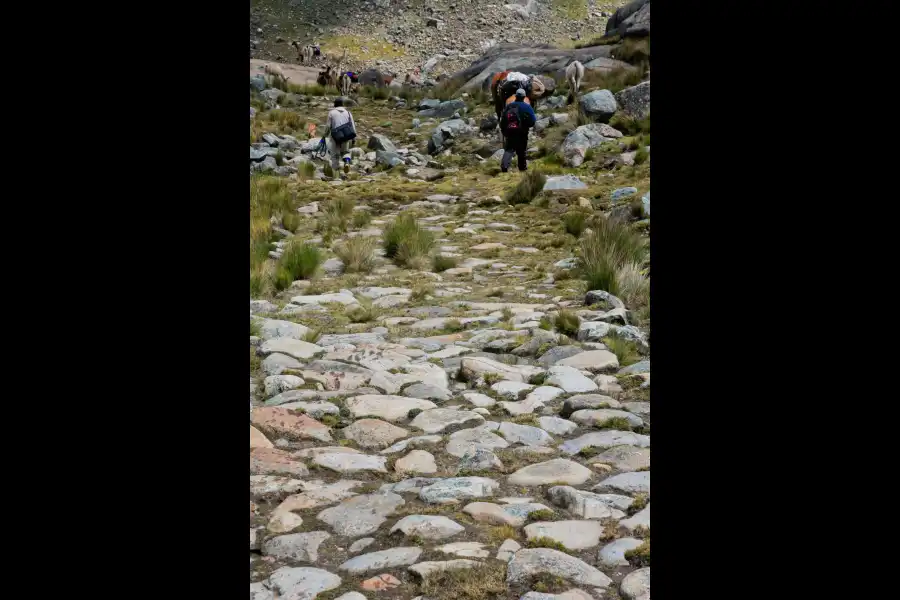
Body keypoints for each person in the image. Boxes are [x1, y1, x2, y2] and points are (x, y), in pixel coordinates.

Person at [499, 88, 537, 173]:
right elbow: (533, 121)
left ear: (516, 96)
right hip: (522, 132)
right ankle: (522, 168)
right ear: (524, 97)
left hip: (510, 132)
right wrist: (526, 125)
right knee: (521, 150)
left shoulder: (509, 106)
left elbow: (503, 120)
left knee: (509, 149)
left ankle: (504, 167)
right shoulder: (527, 107)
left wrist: (504, 131)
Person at [322, 98, 357, 174]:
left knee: (335, 155)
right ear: (342, 104)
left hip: (335, 136)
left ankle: (336, 172)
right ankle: (347, 162)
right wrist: (354, 138)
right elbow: (352, 126)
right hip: (346, 135)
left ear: (335, 105)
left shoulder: (331, 113)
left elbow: (328, 126)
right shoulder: (348, 113)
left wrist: (324, 136)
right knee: (345, 152)